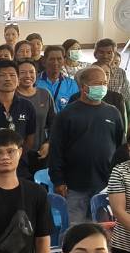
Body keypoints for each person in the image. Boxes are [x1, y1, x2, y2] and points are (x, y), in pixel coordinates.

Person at [49, 68, 125, 223]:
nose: (102, 87)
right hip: (74, 186)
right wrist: (58, 180)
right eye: (97, 83)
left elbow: (120, 148)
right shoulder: (67, 114)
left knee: (104, 230)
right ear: (83, 87)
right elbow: (56, 150)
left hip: (105, 185)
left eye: (104, 83)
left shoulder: (113, 112)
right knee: (76, 230)